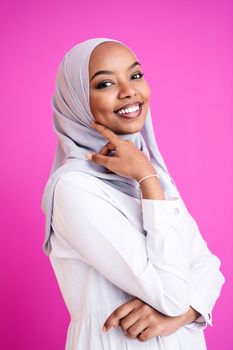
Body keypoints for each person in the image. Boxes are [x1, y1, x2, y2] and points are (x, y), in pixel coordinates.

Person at [41, 37, 225, 349]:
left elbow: (209, 267)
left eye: (135, 75)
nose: (129, 91)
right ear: (77, 100)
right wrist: (146, 178)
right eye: (105, 84)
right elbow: (171, 294)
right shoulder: (74, 188)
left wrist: (184, 314)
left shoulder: (150, 175)